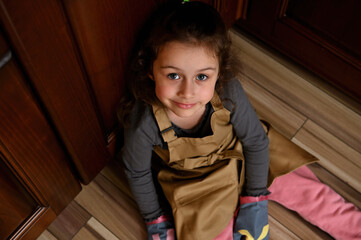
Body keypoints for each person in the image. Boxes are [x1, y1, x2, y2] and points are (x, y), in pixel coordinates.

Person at [117, 1, 361, 240]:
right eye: (173, 75)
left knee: (309, 192)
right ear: (150, 69)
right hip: (196, 187)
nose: (187, 92)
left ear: (220, 73)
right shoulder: (144, 123)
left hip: (244, 155)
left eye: (202, 76)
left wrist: (254, 199)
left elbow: (255, 141)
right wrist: (156, 220)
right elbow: (137, 173)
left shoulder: (228, 91)